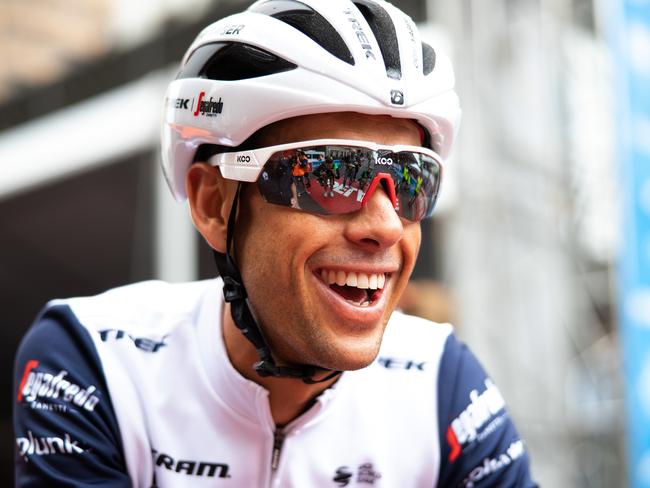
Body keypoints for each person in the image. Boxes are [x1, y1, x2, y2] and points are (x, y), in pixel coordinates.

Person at [13, 1, 538, 487]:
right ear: (215, 204)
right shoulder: (95, 361)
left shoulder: (441, 382)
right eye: (330, 175)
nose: (386, 226)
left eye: (411, 181)